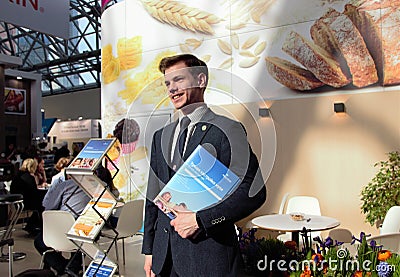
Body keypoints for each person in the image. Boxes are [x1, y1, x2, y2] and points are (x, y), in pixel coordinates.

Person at [142, 54, 267, 276]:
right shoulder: (160, 136)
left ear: (201, 80)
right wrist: (150, 250)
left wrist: (201, 221)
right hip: (164, 259)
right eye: (167, 83)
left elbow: (254, 192)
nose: (172, 89)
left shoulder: (227, 130)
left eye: (178, 80)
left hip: (207, 257)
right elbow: (153, 196)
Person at [34, 176, 91, 276]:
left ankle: (61, 266)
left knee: (39, 242)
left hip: (57, 234)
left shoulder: (65, 185)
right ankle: (72, 267)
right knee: (84, 240)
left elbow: (48, 207)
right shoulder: (97, 187)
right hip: (83, 235)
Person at [10, 158, 43, 234]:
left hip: (18, 201)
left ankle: (31, 225)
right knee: (42, 205)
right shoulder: (28, 177)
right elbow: (34, 191)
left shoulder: (18, 176)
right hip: (26, 202)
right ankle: (36, 226)